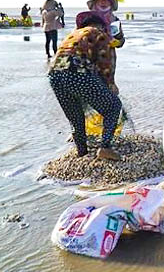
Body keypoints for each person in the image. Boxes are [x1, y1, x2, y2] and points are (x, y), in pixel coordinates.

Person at [48, 11, 122, 160]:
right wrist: (110, 83)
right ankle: (105, 148)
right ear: (100, 25)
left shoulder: (73, 34)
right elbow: (106, 60)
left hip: (54, 74)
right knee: (113, 107)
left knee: (75, 117)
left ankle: (82, 152)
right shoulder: (97, 32)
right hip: (77, 73)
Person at [86, 0, 125, 82]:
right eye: (101, 0)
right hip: (89, 58)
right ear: (95, 2)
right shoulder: (86, 19)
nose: (104, 2)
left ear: (111, 4)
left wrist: (118, 42)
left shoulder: (115, 20)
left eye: (107, 0)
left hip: (108, 59)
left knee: (108, 84)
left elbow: (121, 39)